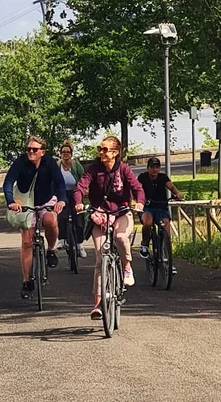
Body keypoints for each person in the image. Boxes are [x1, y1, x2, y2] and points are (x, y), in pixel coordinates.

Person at [73, 136, 144, 320]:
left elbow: (137, 188)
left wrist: (140, 202)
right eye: (100, 149)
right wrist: (79, 202)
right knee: (99, 259)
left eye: (105, 149)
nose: (101, 153)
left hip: (121, 213)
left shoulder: (124, 169)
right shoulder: (93, 169)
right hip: (100, 216)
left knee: (121, 237)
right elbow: (80, 187)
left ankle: (127, 267)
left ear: (115, 152)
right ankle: (98, 304)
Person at [3, 136, 68, 299]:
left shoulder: (50, 163)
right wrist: (10, 201)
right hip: (26, 202)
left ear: (42, 152)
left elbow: (60, 182)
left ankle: (51, 249)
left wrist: (61, 199)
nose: (31, 152)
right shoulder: (20, 163)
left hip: (45, 199)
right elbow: (9, 182)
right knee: (26, 241)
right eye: (28, 149)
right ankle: (27, 282)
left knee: (50, 220)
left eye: (35, 149)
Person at [137, 157, 184, 262]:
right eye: (152, 167)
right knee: (148, 223)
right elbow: (138, 189)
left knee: (166, 231)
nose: (155, 170)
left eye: (157, 167)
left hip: (161, 207)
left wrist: (177, 193)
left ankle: (166, 255)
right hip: (147, 207)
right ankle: (144, 244)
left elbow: (171, 187)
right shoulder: (142, 177)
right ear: (148, 168)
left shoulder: (163, 177)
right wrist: (137, 199)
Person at [57, 139, 87, 259]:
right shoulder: (57, 165)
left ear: (71, 153)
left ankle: (79, 245)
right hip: (61, 193)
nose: (65, 154)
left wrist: (84, 190)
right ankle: (62, 239)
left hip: (75, 193)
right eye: (63, 152)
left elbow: (84, 178)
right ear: (60, 153)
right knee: (61, 214)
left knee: (79, 216)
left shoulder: (76, 165)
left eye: (68, 152)